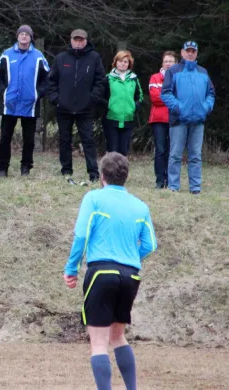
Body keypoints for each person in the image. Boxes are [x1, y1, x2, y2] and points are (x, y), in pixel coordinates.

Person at [63, 152, 157, 390]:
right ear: (125, 177)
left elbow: (82, 235)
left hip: (101, 272)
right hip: (130, 275)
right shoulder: (140, 205)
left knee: (99, 343)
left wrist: (71, 267)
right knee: (118, 337)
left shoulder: (94, 198)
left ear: (102, 176)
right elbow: (151, 245)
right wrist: (130, 258)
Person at [47, 29, 106, 185]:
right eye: (76, 40)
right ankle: (66, 170)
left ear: (86, 41)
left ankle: (93, 173)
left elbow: (100, 81)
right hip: (64, 108)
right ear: (71, 40)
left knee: (88, 140)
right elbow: (51, 81)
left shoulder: (94, 58)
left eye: (81, 40)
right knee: (64, 140)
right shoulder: (60, 58)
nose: (78, 43)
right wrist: (56, 99)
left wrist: (92, 99)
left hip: (85, 108)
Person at [0, 25, 49, 177]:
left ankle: (25, 168)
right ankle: (3, 167)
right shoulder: (6, 54)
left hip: (30, 105)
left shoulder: (38, 56)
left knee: (29, 140)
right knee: (5, 138)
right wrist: (3, 93)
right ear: (17, 37)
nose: (24, 36)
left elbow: (47, 79)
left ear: (31, 38)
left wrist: (37, 94)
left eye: (27, 34)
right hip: (9, 104)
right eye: (21, 34)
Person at [161, 41, 215, 195]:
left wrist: (205, 108)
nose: (190, 53)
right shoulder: (173, 71)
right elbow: (165, 93)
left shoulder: (203, 72)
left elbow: (211, 93)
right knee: (175, 155)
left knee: (196, 156)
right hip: (179, 120)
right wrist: (178, 108)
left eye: (193, 51)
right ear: (182, 52)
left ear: (196, 53)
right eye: (188, 51)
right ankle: (173, 187)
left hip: (198, 121)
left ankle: (195, 188)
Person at [103, 51, 143, 156]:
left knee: (124, 150)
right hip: (111, 118)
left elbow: (140, 96)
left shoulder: (134, 79)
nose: (123, 64)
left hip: (128, 119)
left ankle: (121, 171)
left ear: (129, 64)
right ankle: (110, 171)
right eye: (120, 61)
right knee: (112, 150)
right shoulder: (108, 78)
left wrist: (134, 107)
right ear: (115, 62)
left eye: (125, 62)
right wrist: (109, 106)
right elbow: (101, 96)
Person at [149, 51, 177, 189]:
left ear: (175, 63)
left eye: (171, 61)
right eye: (166, 61)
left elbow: (182, 98)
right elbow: (155, 98)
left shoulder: (179, 78)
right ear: (162, 63)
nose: (168, 63)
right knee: (160, 150)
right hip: (158, 120)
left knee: (172, 151)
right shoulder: (154, 78)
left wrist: (166, 98)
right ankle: (160, 180)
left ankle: (171, 180)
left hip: (175, 120)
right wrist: (171, 98)